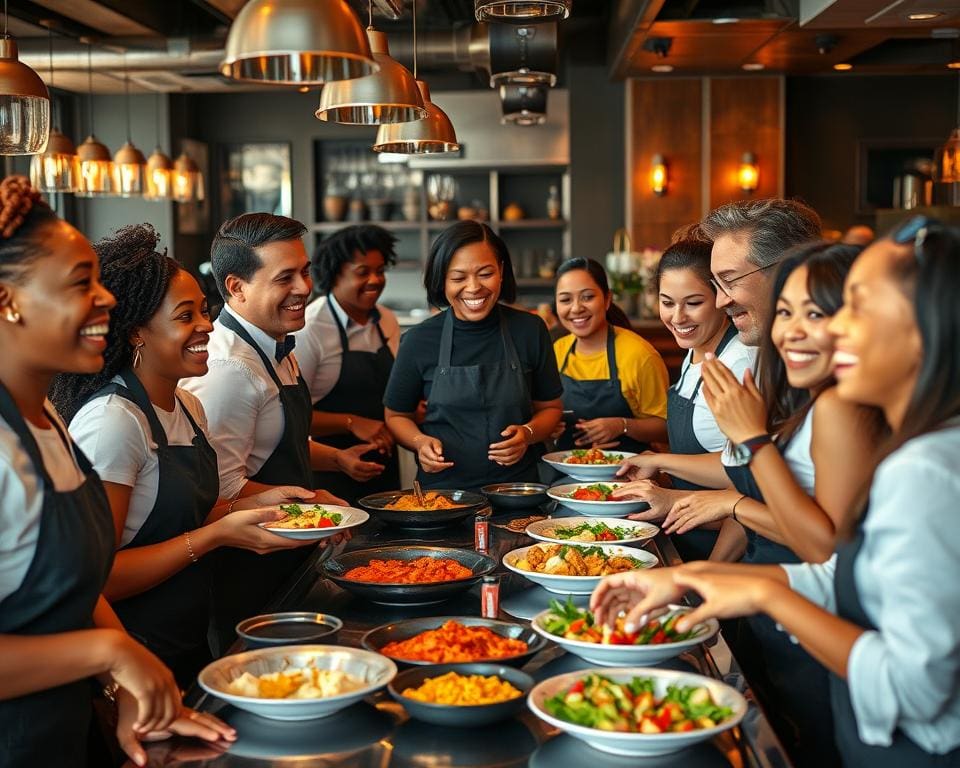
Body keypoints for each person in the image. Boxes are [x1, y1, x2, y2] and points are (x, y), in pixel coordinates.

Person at [591, 217, 960, 767]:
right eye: (790, 311)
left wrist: (763, 590)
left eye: (851, 309)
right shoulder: (912, 446)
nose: (831, 331)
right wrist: (696, 577)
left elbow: (915, 688)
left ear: (929, 325)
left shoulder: (925, 470)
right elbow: (847, 579)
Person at [0, 177, 232, 767]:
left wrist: (128, 676)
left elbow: (82, 578)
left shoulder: (46, 420)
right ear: (8, 300)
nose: (105, 299)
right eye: (82, 284)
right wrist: (108, 654)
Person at [50, 225, 316, 687]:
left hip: (187, 636)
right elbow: (97, 577)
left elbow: (181, 515)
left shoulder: (187, 405)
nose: (207, 326)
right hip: (133, 655)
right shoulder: (113, 422)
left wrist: (256, 505)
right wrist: (216, 536)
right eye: (184, 316)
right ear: (136, 332)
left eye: (204, 311)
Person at [181, 213, 365, 651]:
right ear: (236, 288)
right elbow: (220, 491)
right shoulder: (228, 371)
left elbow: (274, 441)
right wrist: (315, 504)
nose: (304, 288)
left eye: (304, 272)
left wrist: (335, 458)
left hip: (288, 554)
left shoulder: (275, 342)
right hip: (246, 573)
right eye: (285, 277)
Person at [613, 198, 822, 507]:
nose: (722, 301)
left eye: (729, 281)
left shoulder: (749, 363)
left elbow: (822, 541)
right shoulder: (769, 363)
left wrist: (722, 504)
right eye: (667, 302)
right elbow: (751, 477)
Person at [384, 221, 563, 490]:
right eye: (458, 278)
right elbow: (396, 416)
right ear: (442, 280)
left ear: (501, 271)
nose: (473, 287)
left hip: (518, 491)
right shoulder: (419, 340)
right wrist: (420, 443)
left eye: (485, 273)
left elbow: (550, 409)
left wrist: (527, 434)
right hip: (443, 496)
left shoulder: (530, 329)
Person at [650, 237, 754, 560]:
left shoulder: (739, 362)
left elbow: (745, 475)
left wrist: (659, 463)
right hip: (685, 539)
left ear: (721, 298)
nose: (678, 317)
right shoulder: (694, 353)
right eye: (667, 303)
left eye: (693, 303)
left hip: (725, 551)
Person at [294, 225, 401, 502]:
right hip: (331, 475)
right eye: (363, 272)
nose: (375, 280)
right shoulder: (310, 329)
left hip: (384, 469)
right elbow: (291, 417)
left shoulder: (387, 320)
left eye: (380, 271)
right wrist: (351, 423)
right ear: (334, 274)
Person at [551, 257, 668, 453]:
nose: (576, 308)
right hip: (567, 469)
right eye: (565, 300)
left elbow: (667, 428)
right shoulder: (557, 352)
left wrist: (621, 425)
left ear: (607, 299)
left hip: (630, 473)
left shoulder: (639, 355)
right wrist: (550, 428)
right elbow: (543, 410)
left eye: (587, 297)